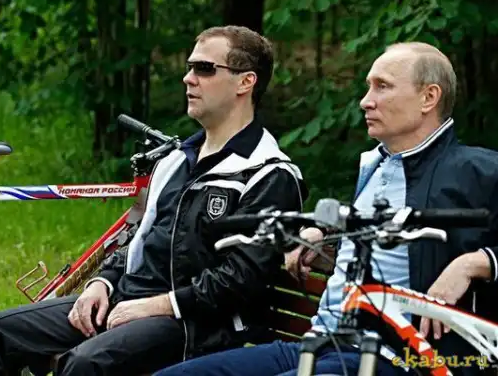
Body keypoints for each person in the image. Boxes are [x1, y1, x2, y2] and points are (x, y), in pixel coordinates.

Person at [0, 25, 308, 376]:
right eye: (189, 67)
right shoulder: (176, 160)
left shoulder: (268, 174)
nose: (188, 78)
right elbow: (139, 239)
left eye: (204, 68)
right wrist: (102, 283)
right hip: (130, 300)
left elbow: (240, 280)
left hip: (196, 325)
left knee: (84, 363)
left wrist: (158, 305)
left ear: (246, 82)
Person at [153, 42, 498, 376]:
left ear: (428, 97)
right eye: (368, 87)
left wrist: (475, 262)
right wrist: (325, 232)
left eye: (382, 87)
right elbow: (381, 226)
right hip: (321, 342)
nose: (365, 101)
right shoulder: (380, 166)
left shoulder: (476, 170)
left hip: (391, 358)